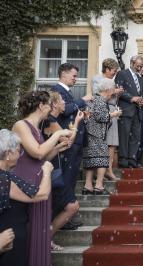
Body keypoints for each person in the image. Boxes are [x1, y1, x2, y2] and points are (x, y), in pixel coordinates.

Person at [12, 91, 71, 266]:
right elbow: (37, 152)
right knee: (28, 229)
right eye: (48, 105)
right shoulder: (21, 125)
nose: (50, 108)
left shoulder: (36, 128)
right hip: (25, 182)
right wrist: (56, 136)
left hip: (39, 180)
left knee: (40, 228)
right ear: (40, 106)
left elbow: (42, 157)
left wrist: (58, 147)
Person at [0, 129, 53, 265]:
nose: (20, 155)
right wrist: (46, 171)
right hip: (8, 239)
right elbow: (42, 194)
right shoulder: (4, 179)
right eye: (18, 151)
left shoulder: (7, 176)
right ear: (7, 154)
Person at [51, 62, 92, 230]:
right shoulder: (57, 91)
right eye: (74, 75)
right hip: (67, 143)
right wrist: (82, 100)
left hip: (75, 141)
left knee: (71, 179)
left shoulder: (66, 92)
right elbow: (64, 110)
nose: (76, 79)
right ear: (64, 74)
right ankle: (62, 216)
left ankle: (68, 216)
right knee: (66, 180)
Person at [40, 91, 83, 248]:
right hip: (51, 169)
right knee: (71, 206)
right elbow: (69, 140)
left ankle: (45, 238)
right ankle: (45, 238)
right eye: (62, 101)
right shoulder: (51, 121)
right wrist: (77, 122)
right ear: (55, 104)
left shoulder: (50, 120)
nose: (65, 103)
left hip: (53, 167)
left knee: (56, 206)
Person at [82, 78, 122, 195]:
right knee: (102, 159)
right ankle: (99, 186)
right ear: (108, 89)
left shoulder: (94, 99)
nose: (113, 93)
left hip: (90, 134)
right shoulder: (100, 100)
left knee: (91, 160)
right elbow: (101, 117)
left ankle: (88, 186)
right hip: (97, 135)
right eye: (113, 90)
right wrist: (114, 114)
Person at [92, 58, 122, 180]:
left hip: (113, 109)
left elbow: (112, 98)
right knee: (102, 142)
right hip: (103, 110)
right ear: (107, 69)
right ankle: (98, 171)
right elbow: (96, 94)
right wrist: (114, 91)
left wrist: (117, 94)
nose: (114, 73)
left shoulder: (112, 80)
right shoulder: (97, 79)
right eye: (113, 71)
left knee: (112, 143)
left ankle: (108, 170)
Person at [115, 55, 143, 168]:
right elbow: (118, 90)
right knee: (124, 136)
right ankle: (123, 161)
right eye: (138, 66)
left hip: (137, 111)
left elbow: (141, 93)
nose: (139, 68)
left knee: (136, 137)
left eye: (141, 66)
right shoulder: (122, 73)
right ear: (132, 63)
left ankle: (132, 159)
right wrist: (132, 98)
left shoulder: (140, 78)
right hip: (126, 110)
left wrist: (142, 100)